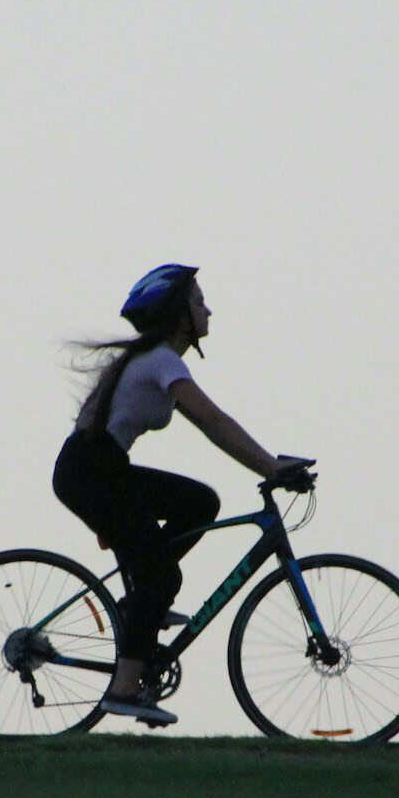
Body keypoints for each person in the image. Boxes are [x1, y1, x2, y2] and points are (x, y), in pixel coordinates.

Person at [52, 264, 311, 726]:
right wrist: (271, 468)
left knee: (199, 503)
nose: (208, 310)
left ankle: (139, 606)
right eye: (199, 302)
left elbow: (207, 427)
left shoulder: (151, 360)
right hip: (92, 472)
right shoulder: (162, 362)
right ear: (179, 316)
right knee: (161, 577)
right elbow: (214, 421)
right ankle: (124, 688)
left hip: (97, 470)